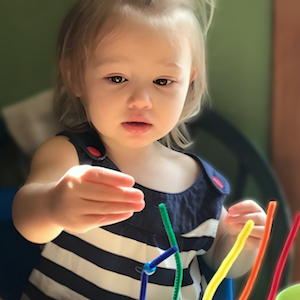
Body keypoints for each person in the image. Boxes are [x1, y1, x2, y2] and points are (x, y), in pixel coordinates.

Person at [12, 0, 267, 299]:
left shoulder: (202, 186)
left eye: (163, 81)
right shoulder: (69, 156)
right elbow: (27, 220)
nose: (141, 100)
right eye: (117, 78)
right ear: (76, 77)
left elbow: (225, 266)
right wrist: (54, 205)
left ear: (187, 84)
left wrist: (243, 240)